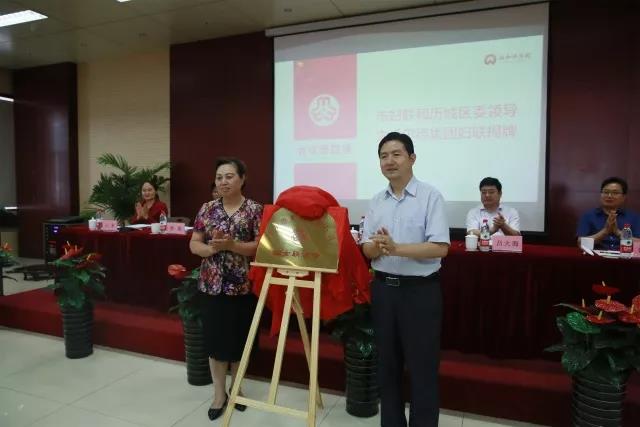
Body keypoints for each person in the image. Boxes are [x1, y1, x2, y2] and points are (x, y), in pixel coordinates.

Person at [361, 132, 450, 427]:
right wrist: (377, 247)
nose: (389, 161)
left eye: (396, 154)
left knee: (423, 369)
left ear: (412, 158)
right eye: (383, 156)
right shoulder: (376, 201)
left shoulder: (430, 196)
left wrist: (396, 247)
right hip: (384, 291)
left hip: (419, 293)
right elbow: (367, 248)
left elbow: (440, 247)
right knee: (387, 368)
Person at [189, 157, 262, 421]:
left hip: (242, 286)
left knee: (239, 342)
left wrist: (232, 245)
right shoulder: (207, 209)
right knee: (216, 342)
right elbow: (194, 243)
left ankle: (237, 387)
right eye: (219, 177)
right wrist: (210, 249)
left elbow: (259, 246)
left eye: (229, 176)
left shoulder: (254, 209)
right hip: (211, 286)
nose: (223, 181)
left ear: (242, 179)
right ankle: (219, 394)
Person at [577, 177, 640, 250]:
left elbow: (639, 244)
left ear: (623, 197)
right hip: (596, 256)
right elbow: (580, 243)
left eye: (615, 193)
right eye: (606, 192)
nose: (609, 196)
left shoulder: (634, 218)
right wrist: (605, 231)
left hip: (624, 256)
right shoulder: (588, 216)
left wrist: (618, 232)